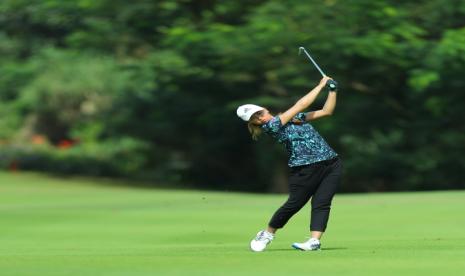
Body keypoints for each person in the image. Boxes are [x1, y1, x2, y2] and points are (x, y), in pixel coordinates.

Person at [236, 76, 342, 252]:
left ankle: (314, 242)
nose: (260, 118)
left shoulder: (295, 118)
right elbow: (300, 104)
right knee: (294, 204)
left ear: (265, 109)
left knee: (322, 203)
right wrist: (320, 85)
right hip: (305, 168)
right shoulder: (272, 126)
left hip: (332, 163)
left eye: (259, 113)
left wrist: (332, 91)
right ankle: (268, 233)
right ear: (253, 123)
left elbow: (326, 111)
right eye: (255, 119)